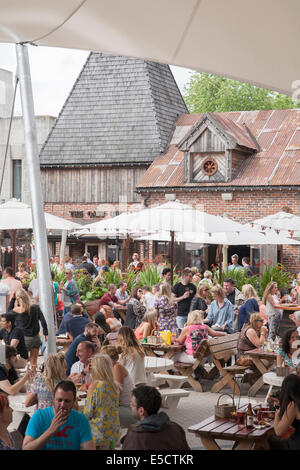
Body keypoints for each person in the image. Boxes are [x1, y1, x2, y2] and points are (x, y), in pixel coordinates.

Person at [23, 380, 95, 450]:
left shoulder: (81, 419)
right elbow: (26, 448)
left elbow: (89, 447)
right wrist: (50, 431)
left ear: (73, 401)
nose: (63, 405)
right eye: (59, 400)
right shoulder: (39, 416)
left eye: (67, 401)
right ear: (53, 399)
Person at [122, 385, 190, 450]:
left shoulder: (134, 437)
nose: (130, 406)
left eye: (132, 404)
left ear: (141, 411)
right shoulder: (176, 428)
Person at [83, 354, 120, 449]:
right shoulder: (114, 385)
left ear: (97, 368)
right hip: (112, 431)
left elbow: (87, 413)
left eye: (91, 366)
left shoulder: (95, 386)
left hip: (98, 433)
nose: (90, 369)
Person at [100, 345, 137, 427]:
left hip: (130, 410)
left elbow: (116, 393)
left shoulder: (117, 368)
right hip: (122, 407)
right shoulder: (111, 368)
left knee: (99, 413)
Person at [12, 288, 48, 367]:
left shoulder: (16, 310)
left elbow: (7, 315)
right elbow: (43, 321)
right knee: (34, 362)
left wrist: (12, 299)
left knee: (19, 361)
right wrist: (46, 334)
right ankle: (33, 378)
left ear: (17, 299)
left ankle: (23, 377)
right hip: (35, 338)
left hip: (23, 339)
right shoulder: (35, 307)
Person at [268, 374, 300, 450]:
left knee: (269, 438)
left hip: (296, 444)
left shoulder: (293, 405)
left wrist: (277, 413)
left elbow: (279, 432)